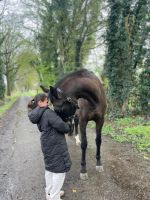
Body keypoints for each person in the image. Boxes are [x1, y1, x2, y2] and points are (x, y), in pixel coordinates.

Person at [28, 93, 72, 200]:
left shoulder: (38, 113)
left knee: (50, 168)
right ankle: (54, 196)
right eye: (46, 101)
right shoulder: (48, 113)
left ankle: (49, 193)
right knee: (59, 171)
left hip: (46, 143)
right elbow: (63, 127)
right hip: (55, 144)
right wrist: (69, 124)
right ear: (40, 102)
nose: (48, 103)